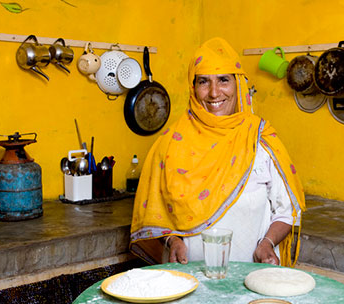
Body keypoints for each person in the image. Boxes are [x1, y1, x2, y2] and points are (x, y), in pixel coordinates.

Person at [129, 37, 305, 267]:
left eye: (223, 80)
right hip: (188, 281)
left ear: (238, 83)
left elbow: (287, 210)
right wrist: (172, 240)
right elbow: (156, 212)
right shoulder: (170, 145)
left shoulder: (259, 140)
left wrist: (267, 244)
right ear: (193, 88)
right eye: (203, 81)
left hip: (252, 278)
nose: (214, 93)